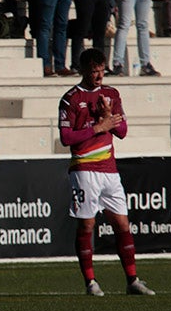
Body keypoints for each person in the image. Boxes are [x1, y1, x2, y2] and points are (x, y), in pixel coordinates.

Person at [59, 48, 155, 297]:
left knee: (122, 224)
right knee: (87, 225)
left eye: (102, 70)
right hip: (84, 169)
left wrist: (108, 116)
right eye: (94, 72)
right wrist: (97, 126)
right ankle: (91, 283)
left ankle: (132, 280)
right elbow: (66, 137)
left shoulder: (111, 94)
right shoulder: (70, 98)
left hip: (110, 170)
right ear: (83, 71)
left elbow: (121, 131)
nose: (99, 76)